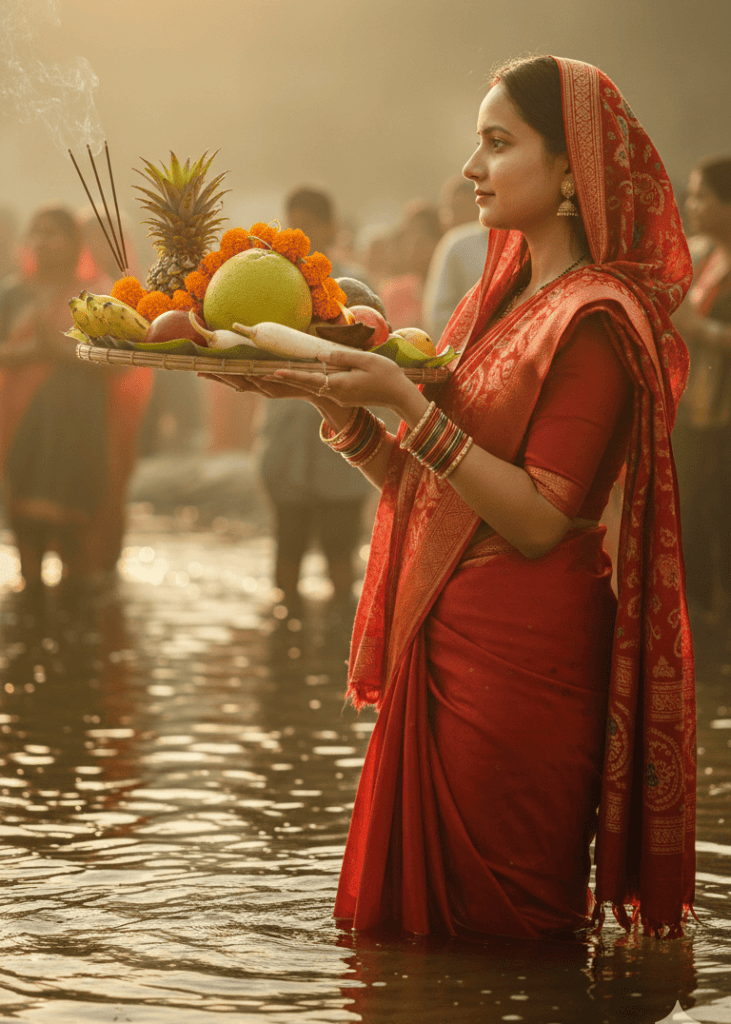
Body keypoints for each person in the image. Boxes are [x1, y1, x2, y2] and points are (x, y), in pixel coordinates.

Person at [210, 56, 696, 938]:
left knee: (502, 931)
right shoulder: (494, 307)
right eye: (476, 143)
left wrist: (398, 399)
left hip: (520, 662)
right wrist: (329, 401)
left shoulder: (593, 317)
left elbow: (543, 519)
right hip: (440, 637)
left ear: (567, 170)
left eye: (497, 143)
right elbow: (430, 488)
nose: (471, 167)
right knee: (412, 941)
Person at [0, 207, 151, 601]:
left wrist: (61, 352)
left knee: (76, 543)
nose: (42, 241)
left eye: (53, 233)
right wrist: (31, 351)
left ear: (74, 244)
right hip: (19, 425)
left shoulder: (94, 298)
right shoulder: (11, 295)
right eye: (36, 232)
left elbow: (120, 360)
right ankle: (30, 625)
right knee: (25, 527)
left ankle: (74, 643)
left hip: (78, 429)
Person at [258, 186, 372, 616]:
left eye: (308, 225)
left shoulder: (354, 285)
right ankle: (287, 655)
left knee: (342, 562)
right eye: (292, 225)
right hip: (285, 439)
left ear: (329, 228)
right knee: (285, 557)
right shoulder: (266, 281)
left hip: (343, 438)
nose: (299, 235)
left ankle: (337, 651)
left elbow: (373, 349)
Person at [672, 157, 731, 624]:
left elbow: (695, 324)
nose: (691, 205)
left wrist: (701, 329)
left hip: (725, 416)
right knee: (690, 511)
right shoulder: (705, 254)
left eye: (702, 197)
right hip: (697, 410)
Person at [381, 201, 443, 330]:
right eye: (407, 235)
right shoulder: (393, 293)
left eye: (419, 234)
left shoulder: (454, 290)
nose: (411, 244)